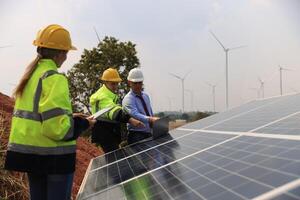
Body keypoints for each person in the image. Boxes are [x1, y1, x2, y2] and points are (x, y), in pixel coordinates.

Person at [4, 24, 96, 200]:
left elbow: (40, 116)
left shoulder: (30, 76)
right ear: (60, 53)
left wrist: (70, 117)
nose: (66, 58)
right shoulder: (54, 78)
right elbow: (57, 129)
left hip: (31, 157)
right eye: (66, 53)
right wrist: (84, 123)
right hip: (54, 159)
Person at [90, 68, 144, 153]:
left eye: (116, 84)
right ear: (105, 82)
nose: (115, 86)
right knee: (115, 158)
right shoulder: (102, 96)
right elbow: (114, 111)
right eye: (113, 84)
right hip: (104, 132)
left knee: (117, 157)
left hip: (111, 131)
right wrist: (131, 120)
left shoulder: (110, 94)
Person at [122, 68, 159, 144]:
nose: (138, 85)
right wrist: (150, 119)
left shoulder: (146, 96)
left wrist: (154, 123)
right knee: (140, 156)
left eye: (140, 82)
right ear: (129, 82)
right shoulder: (128, 99)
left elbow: (149, 111)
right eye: (135, 83)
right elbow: (135, 115)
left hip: (149, 132)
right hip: (136, 135)